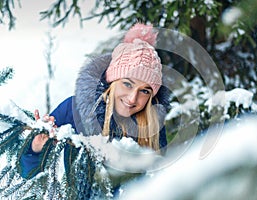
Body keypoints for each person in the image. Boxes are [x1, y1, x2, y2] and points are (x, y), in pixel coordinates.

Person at [19, 23, 170, 187]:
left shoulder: (151, 125)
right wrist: (36, 148)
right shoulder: (74, 109)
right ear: (111, 81)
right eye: (127, 84)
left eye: (145, 91)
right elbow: (28, 173)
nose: (133, 98)